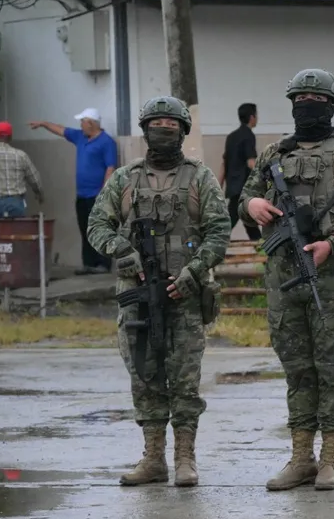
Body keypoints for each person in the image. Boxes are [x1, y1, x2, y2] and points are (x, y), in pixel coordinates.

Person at [240, 69, 334, 492]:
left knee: (331, 368)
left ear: (332, 105)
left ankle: (331, 458)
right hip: (282, 277)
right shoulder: (273, 153)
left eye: (316, 98)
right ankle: (301, 458)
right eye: (300, 98)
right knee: (297, 370)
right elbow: (246, 196)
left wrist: (333, 241)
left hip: (329, 278)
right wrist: (254, 205)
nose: (307, 104)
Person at [86, 96, 231, 487]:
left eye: (171, 124)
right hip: (138, 293)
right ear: (145, 129)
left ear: (182, 131)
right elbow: (97, 224)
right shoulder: (125, 179)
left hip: (184, 294)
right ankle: (153, 457)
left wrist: (195, 270)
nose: (163, 129)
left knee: (184, 379)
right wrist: (123, 251)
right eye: (156, 123)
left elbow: (219, 233)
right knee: (145, 376)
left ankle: (185, 457)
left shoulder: (199, 178)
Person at [30, 108, 118, 274]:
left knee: (99, 229)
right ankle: (89, 264)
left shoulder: (106, 142)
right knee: (84, 229)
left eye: (82, 121)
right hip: (82, 194)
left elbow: (110, 168)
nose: (80, 125)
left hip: (96, 195)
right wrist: (43, 124)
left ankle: (103, 264)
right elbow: (61, 130)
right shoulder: (80, 137)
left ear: (91, 123)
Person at [0, 121, 45, 238]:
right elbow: (34, 179)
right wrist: (39, 194)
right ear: (10, 137)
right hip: (15, 205)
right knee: (17, 240)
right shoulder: (20, 155)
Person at [220, 103, 262, 241]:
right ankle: (214, 241)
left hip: (233, 185)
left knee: (247, 218)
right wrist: (265, 177)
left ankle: (261, 246)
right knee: (232, 217)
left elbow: (224, 163)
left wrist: (218, 184)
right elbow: (251, 162)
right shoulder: (248, 135)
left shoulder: (231, 137)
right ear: (252, 117)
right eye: (256, 115)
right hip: (243, 185)